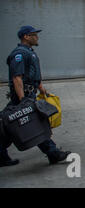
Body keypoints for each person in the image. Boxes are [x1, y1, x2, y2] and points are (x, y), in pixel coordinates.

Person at [0, 26, 71, 167]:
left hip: (29, 94)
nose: (37, 37)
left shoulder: (29, 52)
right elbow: (17, 78)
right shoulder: (19, 54)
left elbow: (31, 75)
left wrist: (41, 89)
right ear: (26, 36)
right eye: (34, 35)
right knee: (34, 123)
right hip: (22, 96)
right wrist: (22, 100)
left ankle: (1, 155)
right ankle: (53, 153)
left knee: (10, 123)